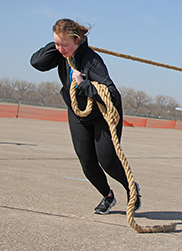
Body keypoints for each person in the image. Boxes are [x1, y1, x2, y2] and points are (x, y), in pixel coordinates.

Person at [30, 19, 140, 214]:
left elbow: (112, 95)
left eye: (65, 45)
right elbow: (37, 62)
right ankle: (108, 196)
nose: (60, 49)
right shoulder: (61, 55)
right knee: (87, 163)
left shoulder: (92, 61)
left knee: (107, 160)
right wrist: (57, 44)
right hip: (77, 113)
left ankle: (132, 189)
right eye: (57, 44)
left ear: (78, 40)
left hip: (102, 115)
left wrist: (83, 83)